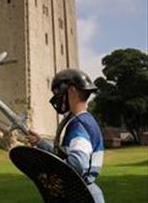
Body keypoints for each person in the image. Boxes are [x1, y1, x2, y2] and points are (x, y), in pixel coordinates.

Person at [26, 68, 105, 203]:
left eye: (58, 92)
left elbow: (78, 164)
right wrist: (40, 142)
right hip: (88, 192)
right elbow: (65, 154)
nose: (57, 97)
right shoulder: (84, 120)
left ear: (71, 90)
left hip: (83, 196)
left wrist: (49, 170)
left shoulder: (79, 124)